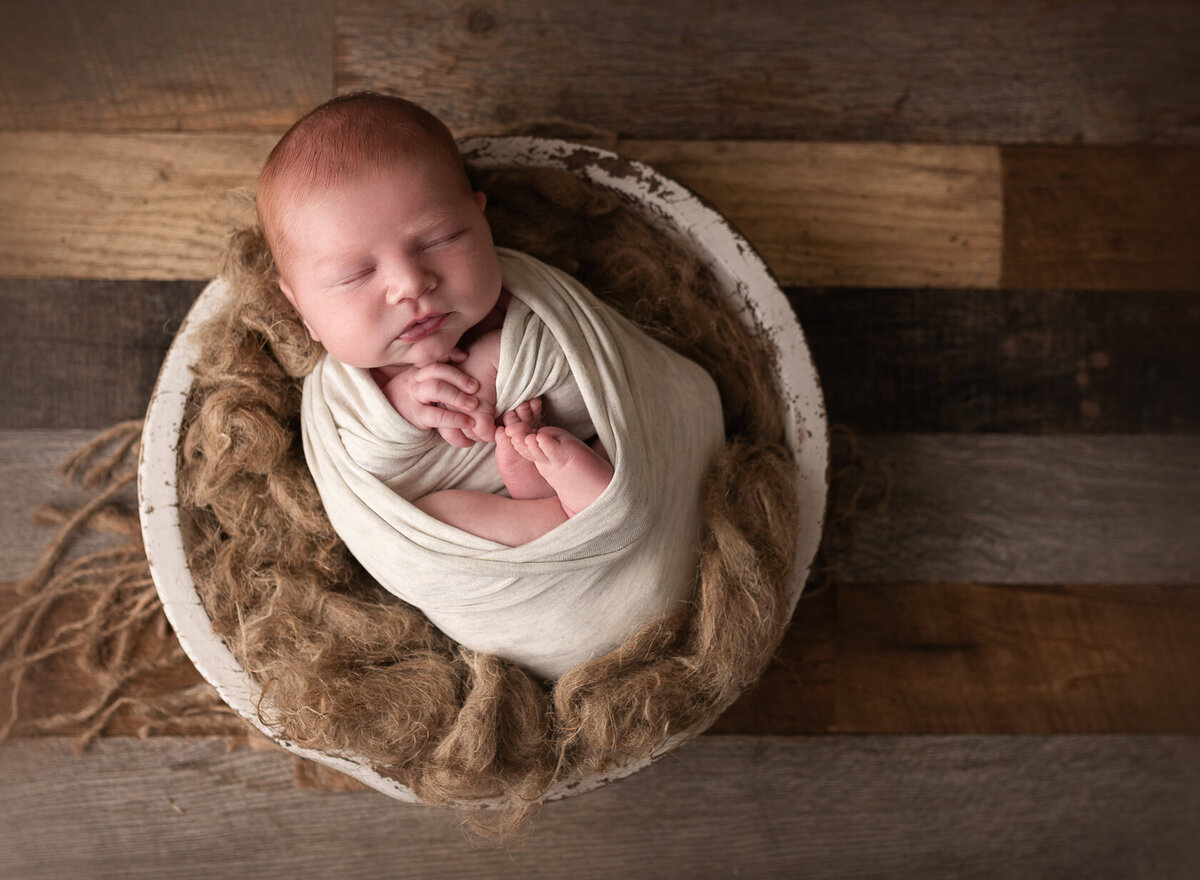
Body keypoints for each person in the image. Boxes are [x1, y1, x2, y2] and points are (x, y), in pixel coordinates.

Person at [255, 92, 612, 546]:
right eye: (356, 275)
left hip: (592, 451)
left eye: (439, 239)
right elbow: (368, 461)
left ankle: (585, 497)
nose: (409, 283)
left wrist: (494, 360)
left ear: (482, 223)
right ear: (301, 309)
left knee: (620, 429)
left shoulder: (523, 299)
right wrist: (401, 406)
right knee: (427, 519)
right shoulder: (346, 396)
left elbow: (591, 367)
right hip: (493, 537)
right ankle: (569, 520)